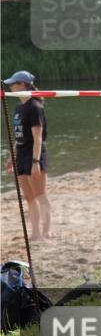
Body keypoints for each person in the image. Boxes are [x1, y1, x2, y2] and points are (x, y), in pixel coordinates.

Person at [3, 71, 52, 240]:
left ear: (23, 85)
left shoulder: (34, 107)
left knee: (40, 194)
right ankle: (35, 233)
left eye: (14, 84)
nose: (10, 87)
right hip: (22, 155)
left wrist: (36, 161)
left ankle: (46, 231)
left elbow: (38, 138)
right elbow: (19, 136)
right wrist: (12, 156)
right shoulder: (19, 108)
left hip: (34, 155)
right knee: (30, 197)